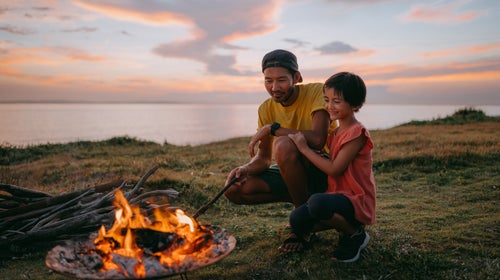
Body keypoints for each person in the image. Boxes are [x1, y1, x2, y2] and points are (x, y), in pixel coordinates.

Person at [279, 72, 376, 263]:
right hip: (338, 195)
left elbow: (334, 169)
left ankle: (354, 234)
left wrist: (304, 148)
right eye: (326, 100)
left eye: (336, 101)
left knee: (317, 203)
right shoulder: (336, 132)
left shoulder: (357, 133)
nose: (329, 106)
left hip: (355, 199)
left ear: (355, 105)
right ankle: (341, 225)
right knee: (296, 220)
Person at [224, 49, 336, 210]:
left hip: (325, 168)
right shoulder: (266, 108)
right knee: (235, 188)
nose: (274, 87)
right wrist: (246, 169)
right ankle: (304, 202)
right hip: (293, 173)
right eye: (268, 81)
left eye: (281, 80)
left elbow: (318, 140)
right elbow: (264, 159)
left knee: (284, 144)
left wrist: (273, 129)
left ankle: (302, 219)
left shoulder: (317, 91)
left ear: (296, 78)